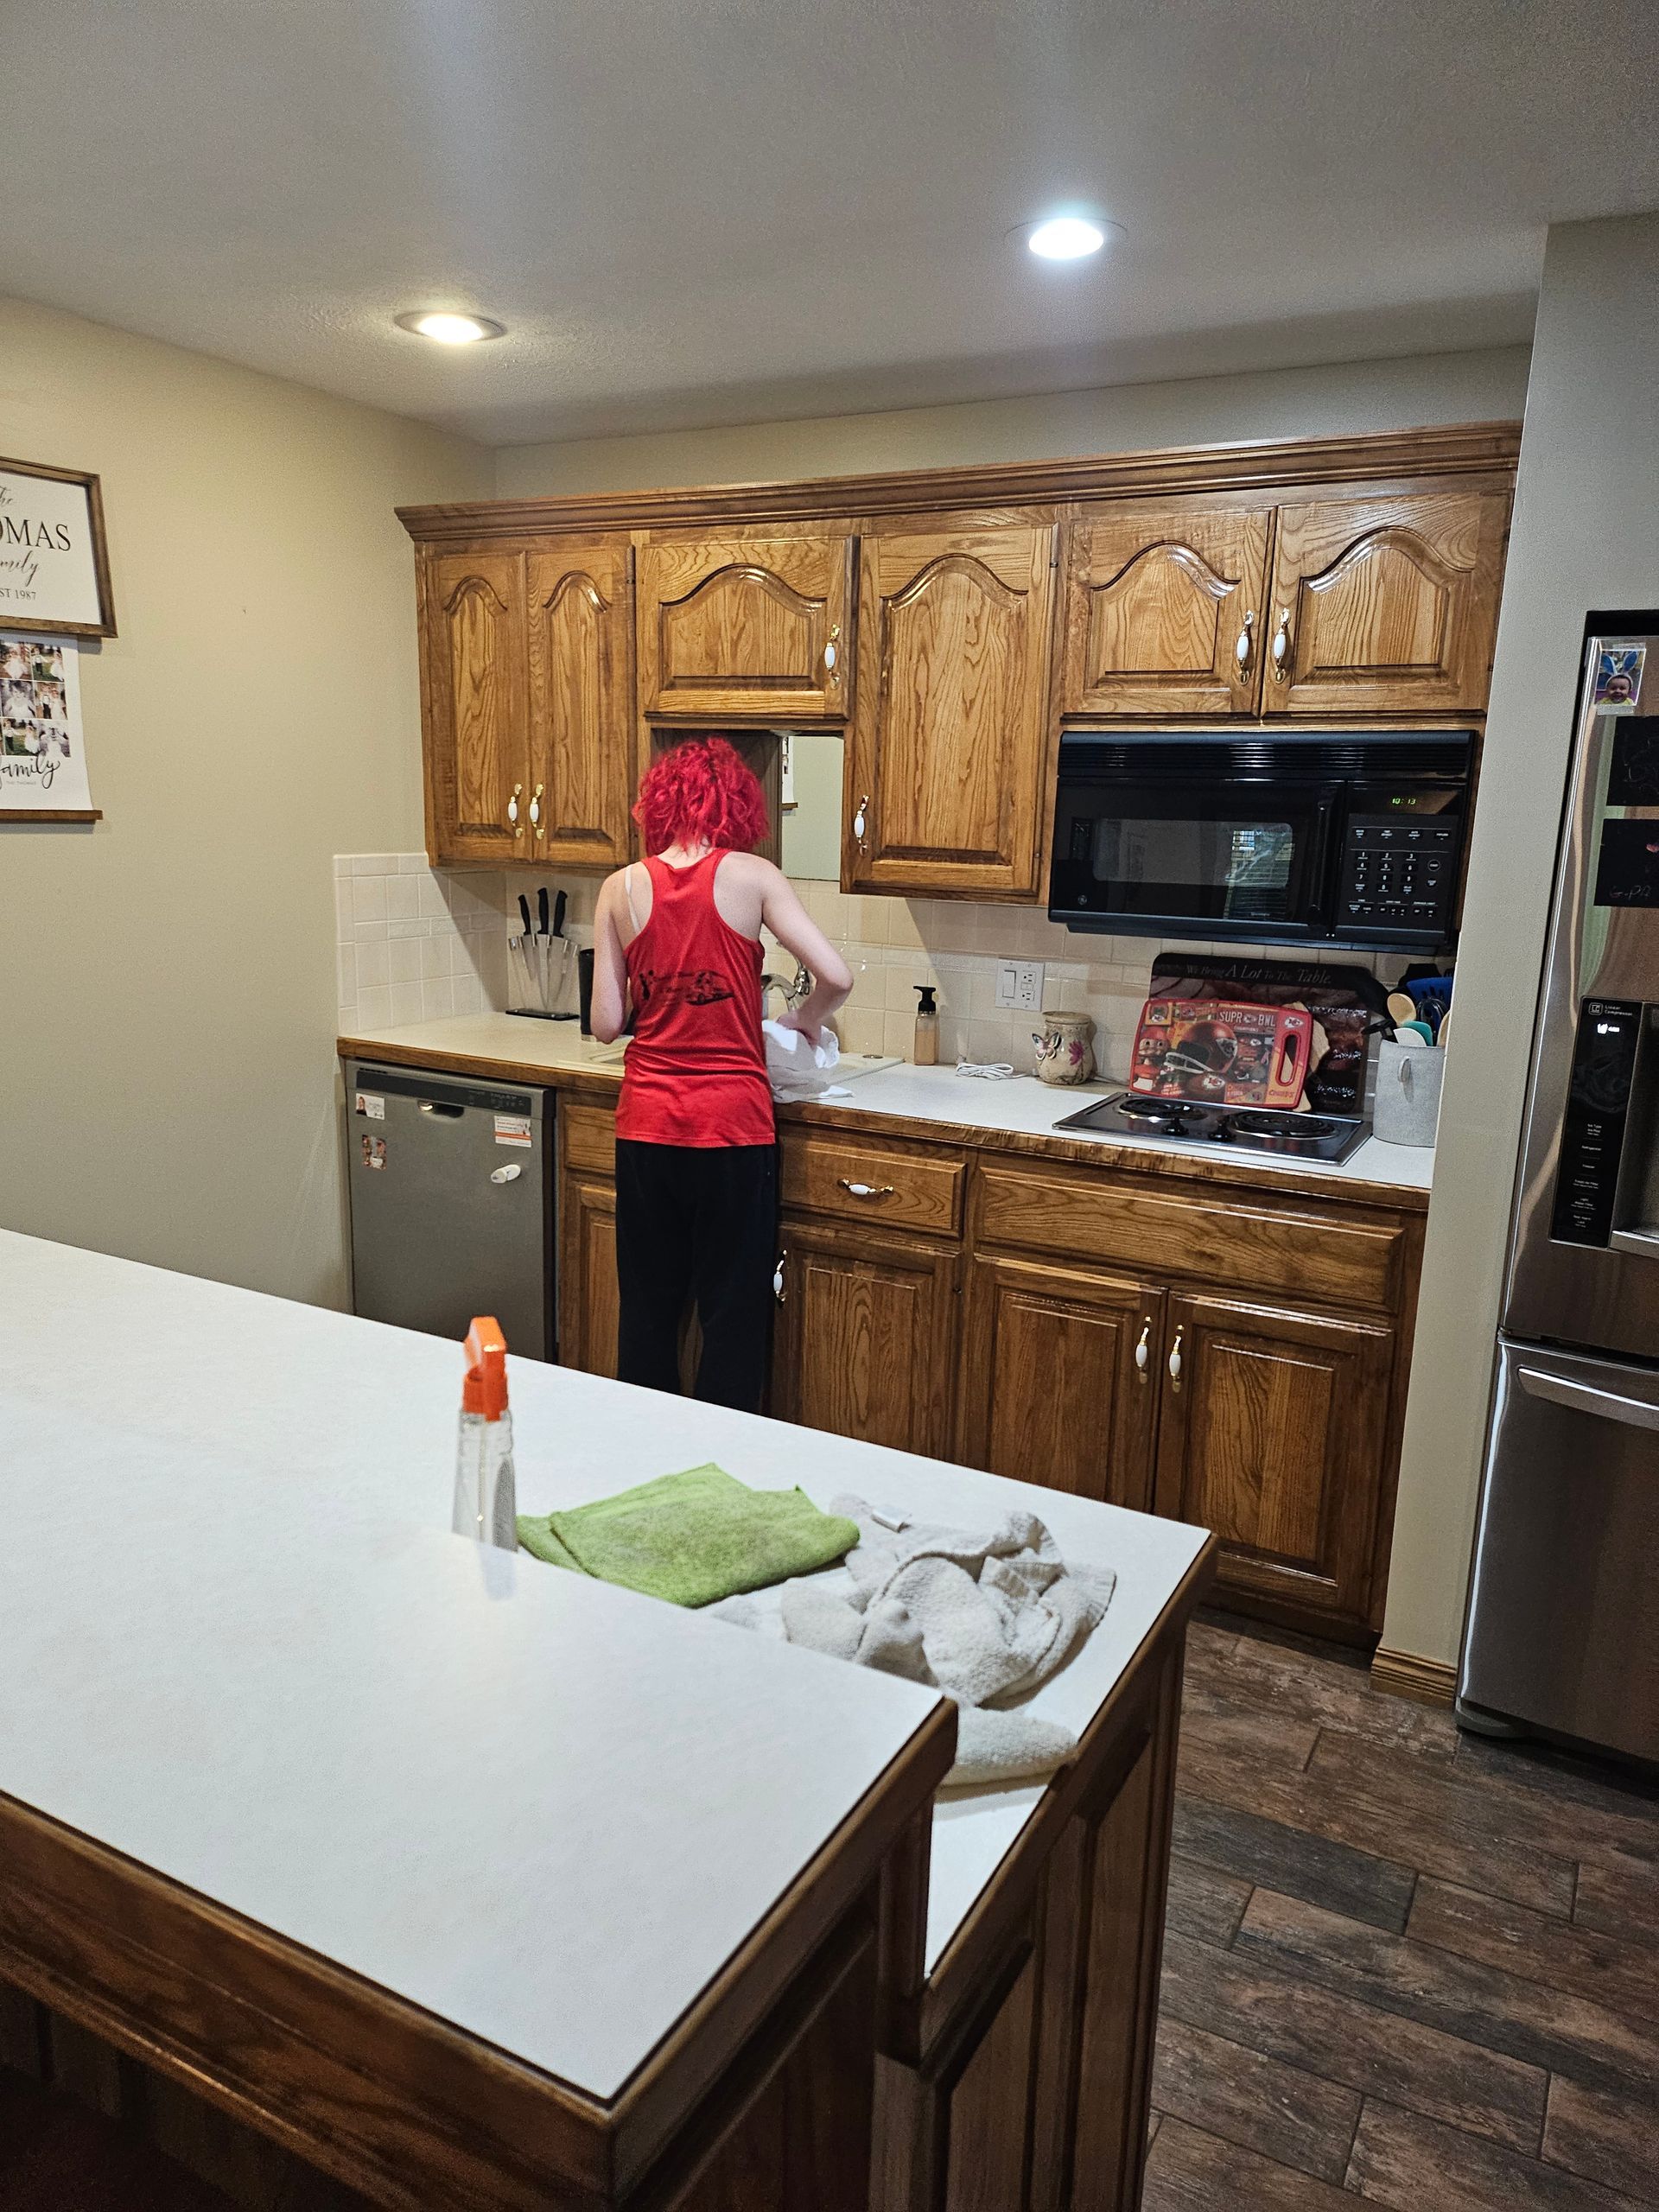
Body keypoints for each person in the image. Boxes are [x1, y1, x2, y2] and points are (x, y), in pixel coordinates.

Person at [591, 735, 852, 1411]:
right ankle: (723, 1478)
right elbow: (836, 977)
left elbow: (605, 1024)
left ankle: (644, 1472)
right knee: (730, 1322)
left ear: (658, 805)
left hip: (648, 1126)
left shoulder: (618, 887)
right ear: (737, 805)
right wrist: (804, 1022)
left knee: (647, 1317)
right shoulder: (754, 877)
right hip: (733, 1132)